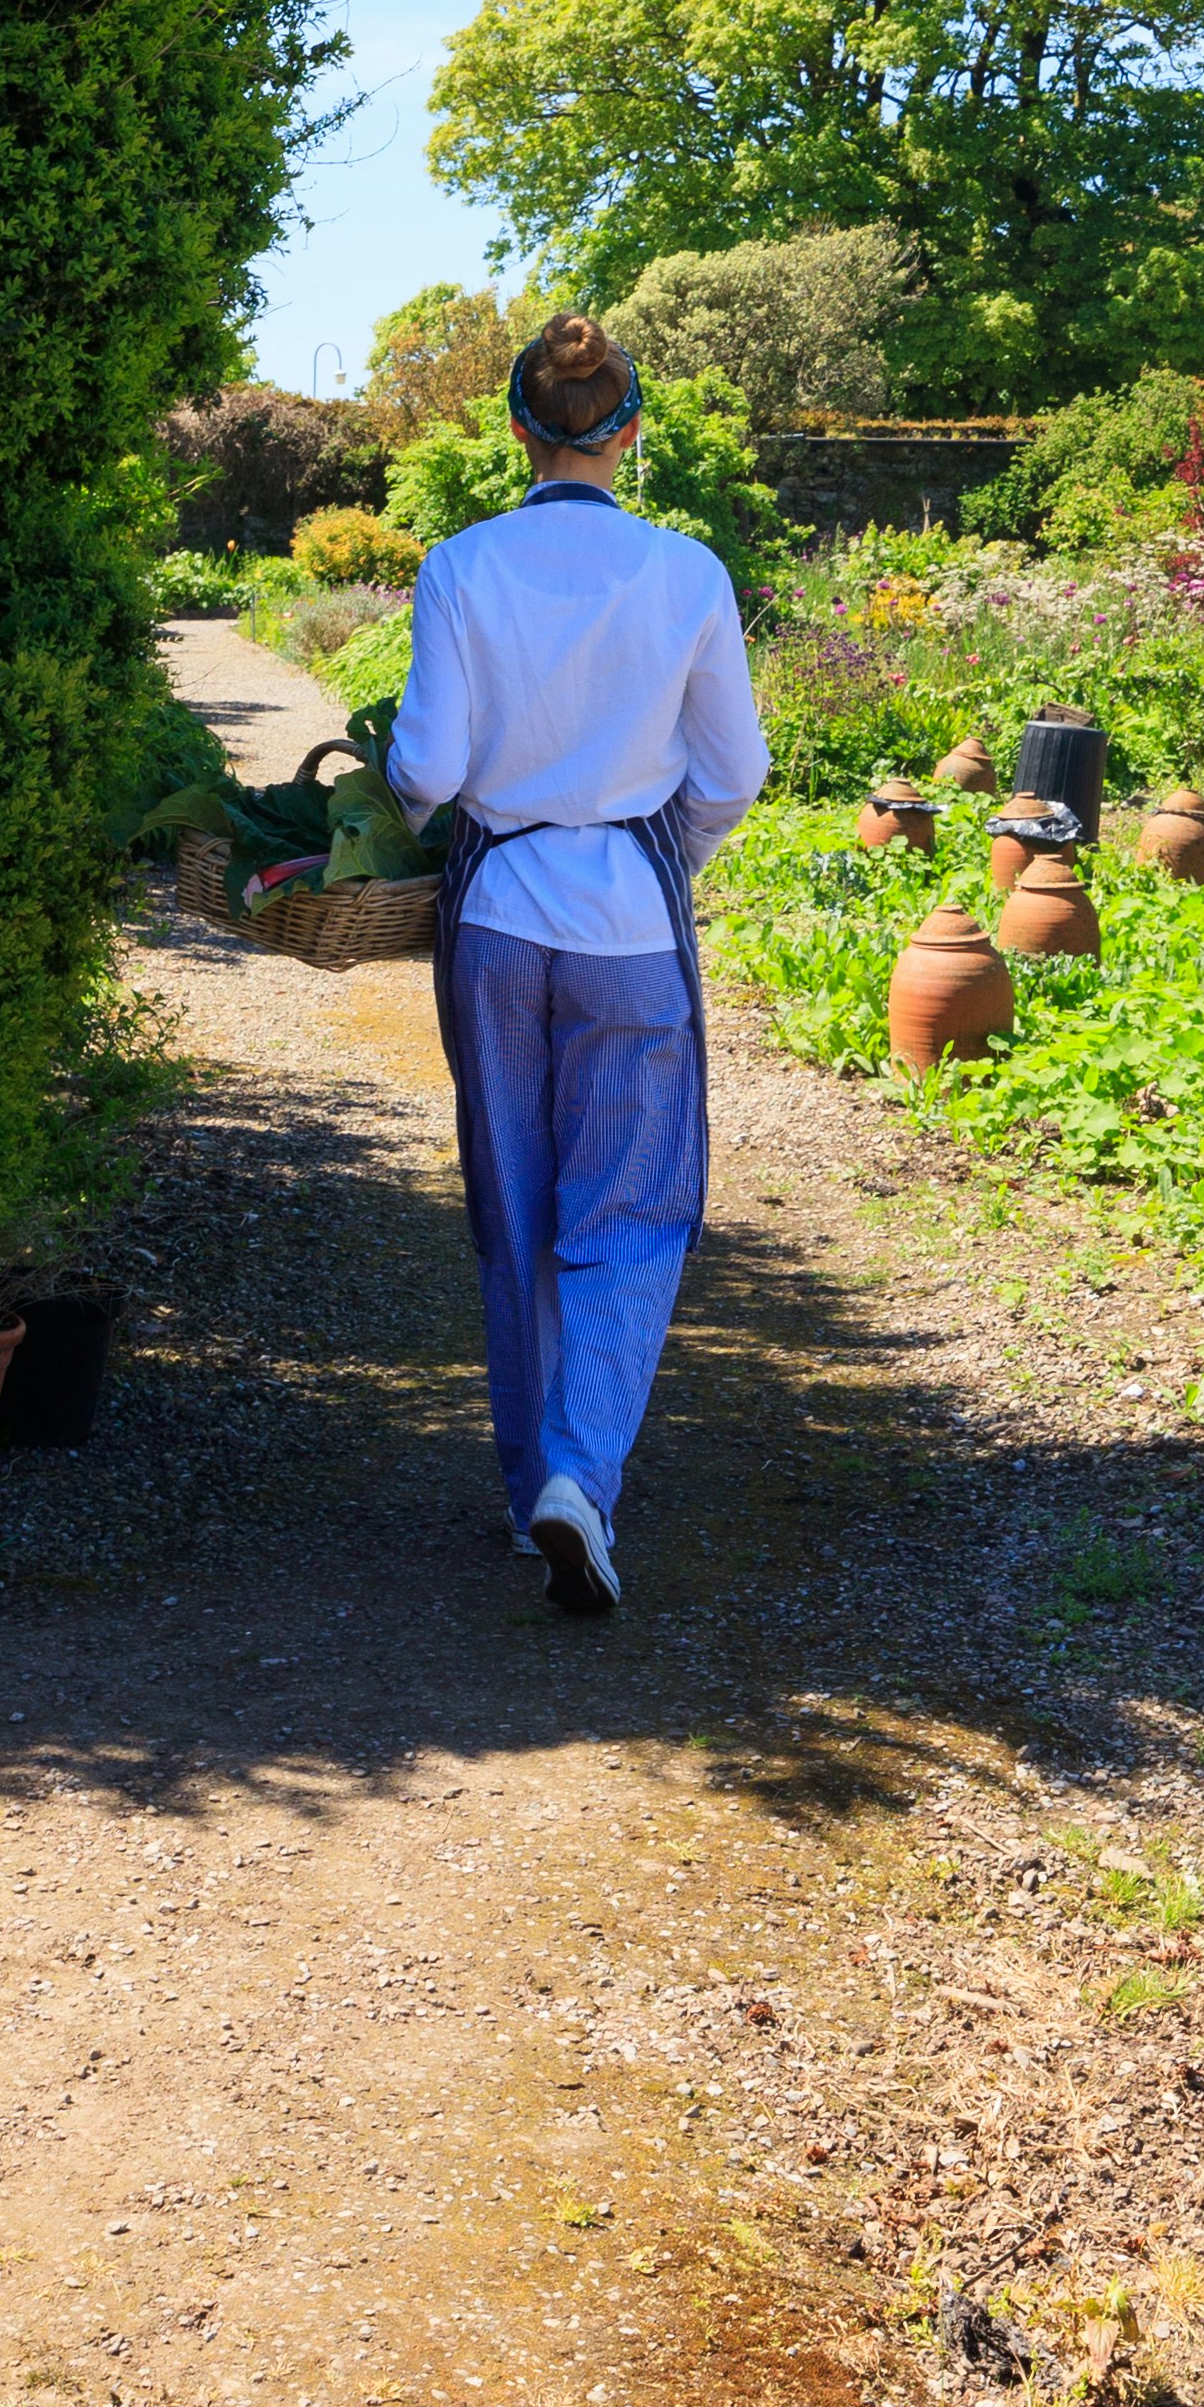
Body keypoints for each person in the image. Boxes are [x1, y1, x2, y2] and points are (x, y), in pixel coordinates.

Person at [380, 314, 766, 1611]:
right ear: (632, 433)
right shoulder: (687, 572)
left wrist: (413, 801)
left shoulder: (459, 565)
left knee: (514, 1207)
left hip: (496, 916)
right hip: (630, 927)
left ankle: (524, 1491)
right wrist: (670, 857)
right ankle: (579, 1477)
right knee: (633, 1205)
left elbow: (428, 772)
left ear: (516, 431)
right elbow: (735, 773)